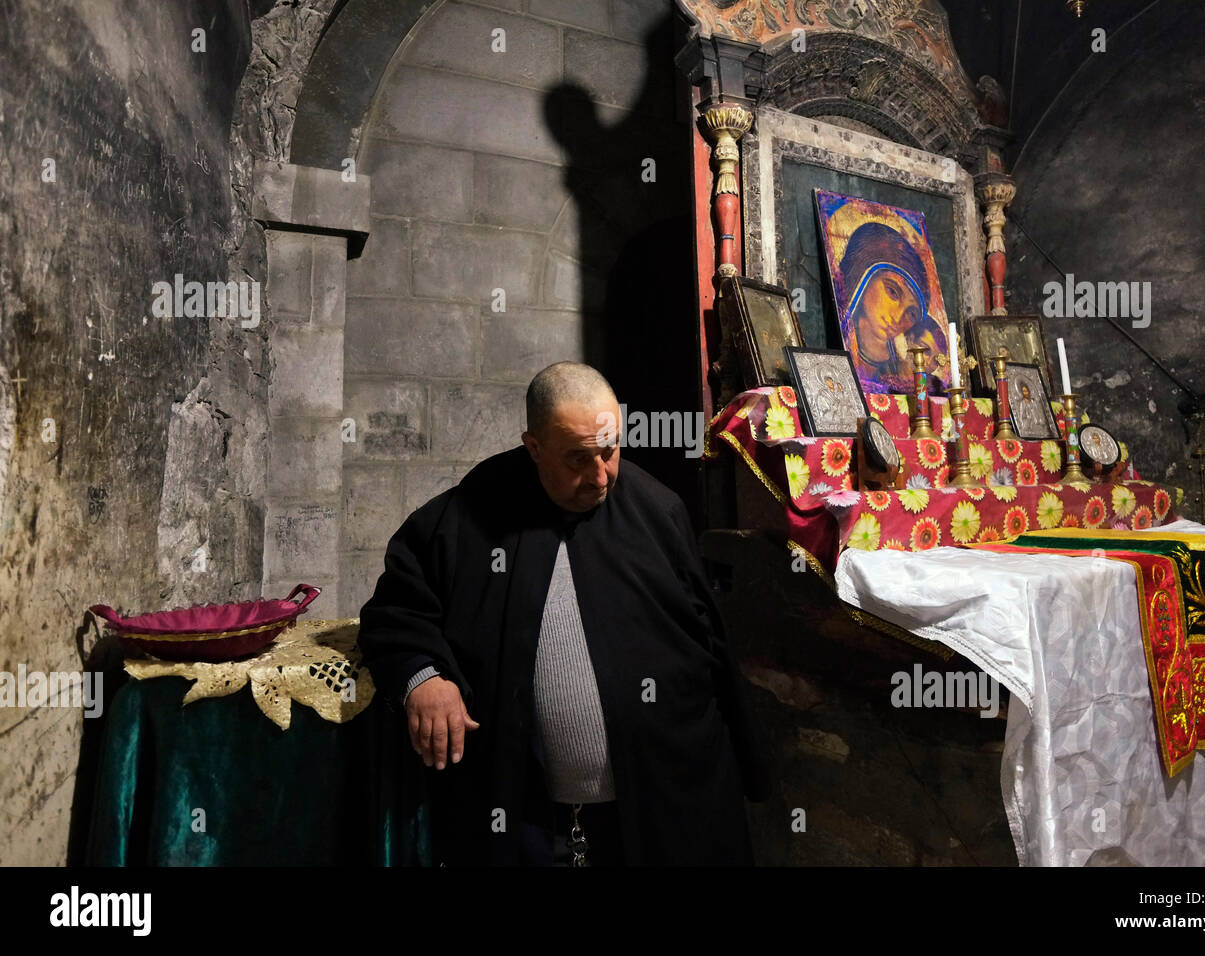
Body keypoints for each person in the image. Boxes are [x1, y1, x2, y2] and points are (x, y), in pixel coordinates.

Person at [358, 362, 771, 866]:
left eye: (610, 450)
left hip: (662, 810)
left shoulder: (656, 510)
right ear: (534, 448)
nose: (600, 476)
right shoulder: (472, 511)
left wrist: (749, 765)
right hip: (527, 824)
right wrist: (424, 677)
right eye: (577, 458)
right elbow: (394, 609)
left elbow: (712, 644)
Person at [839, 220, 948, 392]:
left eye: (911, 313)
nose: (897, 318)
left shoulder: (901, 378)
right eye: (892, 292)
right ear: (862, 277)